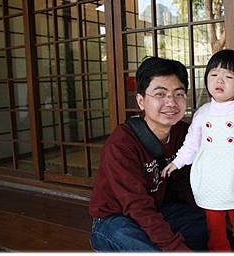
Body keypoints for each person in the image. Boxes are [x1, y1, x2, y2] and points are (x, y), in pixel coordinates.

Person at [162, 49, 234, 252]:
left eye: (228, 76)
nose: (219, 81)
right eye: (214, 74)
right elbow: (191, 145)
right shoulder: (202, 113)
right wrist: (177, 162)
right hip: (211, 182)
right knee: (215, 232)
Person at [89, 57, 208, 252]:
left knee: (205, 226)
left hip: (158, 209)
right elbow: (136, 205)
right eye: (160, 94)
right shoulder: (122, 143)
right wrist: (175, 248)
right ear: (141, 101)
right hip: (114, 218)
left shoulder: (184, 133)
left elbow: (184, 186)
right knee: (141, 245)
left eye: (178, 94)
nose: (171, 102)